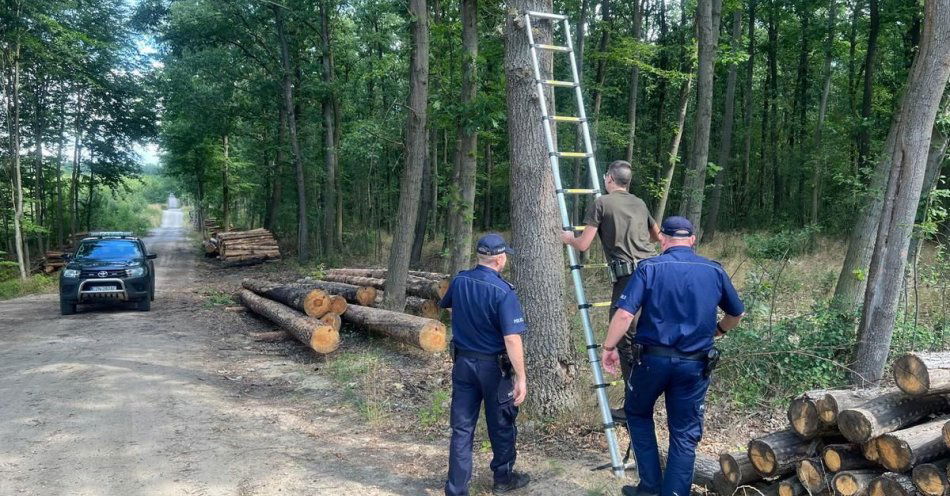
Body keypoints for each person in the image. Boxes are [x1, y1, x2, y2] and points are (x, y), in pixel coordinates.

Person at [601, 217, 745, 496]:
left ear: (663, 240)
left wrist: (608, 348)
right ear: (692, 240)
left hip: (651, 361)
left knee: (638, 413)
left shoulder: (649, 268)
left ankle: (650, 487)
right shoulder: (713, 271)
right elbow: (737, 313)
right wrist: (719, 330)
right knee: (684, 431)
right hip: (694, 365)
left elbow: (625, 313)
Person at [440, 233, 531, 496]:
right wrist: (521, 378)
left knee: (462, 427)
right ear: (500, 259)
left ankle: (456, 489)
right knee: (501, 423)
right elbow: (512, 339)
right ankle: (502, 479)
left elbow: (449, 307)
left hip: (464, 363)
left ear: (480, 257)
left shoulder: (460, 280)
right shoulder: (503, 292)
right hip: (494, 368)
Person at [561, 159, 661, 386]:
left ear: (609, 179)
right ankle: (644, 393)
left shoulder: (601, 203)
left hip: (628, 278)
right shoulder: (640, 203)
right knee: (645, 333)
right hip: (653, 274)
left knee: (624, 337)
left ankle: (633, 403)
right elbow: (657, 236)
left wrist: (568, 239)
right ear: (628, 182)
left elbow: (584, 244)